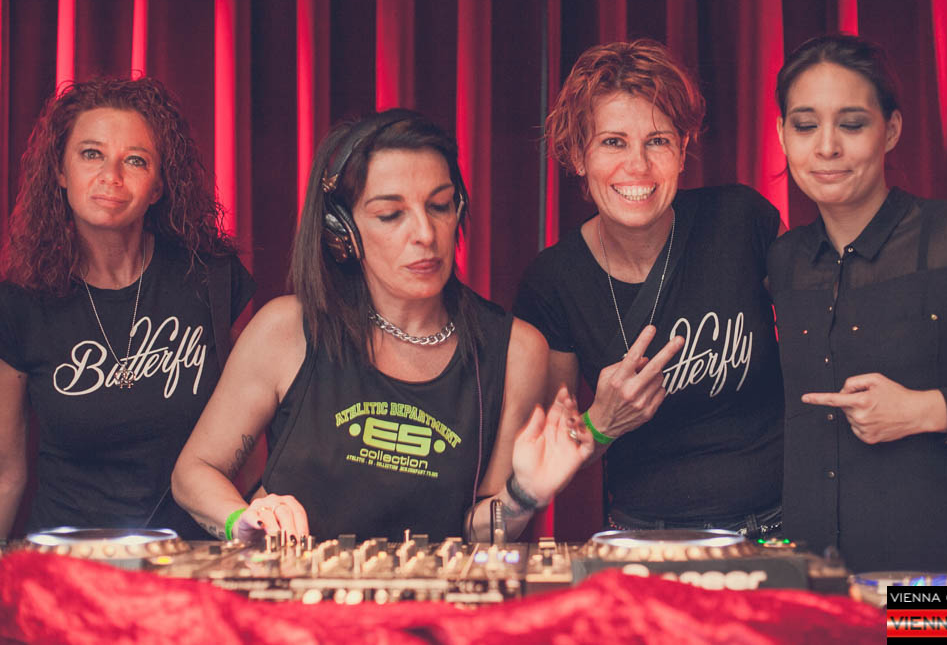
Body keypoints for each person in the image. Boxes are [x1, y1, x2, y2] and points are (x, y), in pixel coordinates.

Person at [172, 109, 592, 543]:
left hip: (433, 588)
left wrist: (524, 495)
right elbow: (193, 472)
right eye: (391, 214)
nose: (425, 233)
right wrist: (241, 521)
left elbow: (478, 532)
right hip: (295, 586)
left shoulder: (515, 350)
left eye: (440, 206)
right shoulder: (287, 329)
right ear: (342, 232)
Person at [514, 40, 785, 536]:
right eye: (613, 142)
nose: (637, 166)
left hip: (776, 525)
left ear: (682, 150)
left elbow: (823, 346)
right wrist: (602, 421)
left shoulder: (741, 219)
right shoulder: (552, 281)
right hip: (643, 537)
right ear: (577, 156)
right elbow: (547, 460)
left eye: (657, 141)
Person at [768, 34, 947, 572]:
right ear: (781, 135)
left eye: (852, 124)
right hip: (819, 585)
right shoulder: (784, 260)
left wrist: (926, 410)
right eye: (805, 126)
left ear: (890, 130)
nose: (827, 147)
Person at [0, 77, 255, 539]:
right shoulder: (20, 302)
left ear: (158, 185)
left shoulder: (209, 279)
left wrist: (246, 528)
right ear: (60, 172)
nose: (111, 176)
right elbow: (5, 474)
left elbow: (253, 430)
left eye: (135, 160)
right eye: (91, 154)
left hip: (190, 557)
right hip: (68, 560)